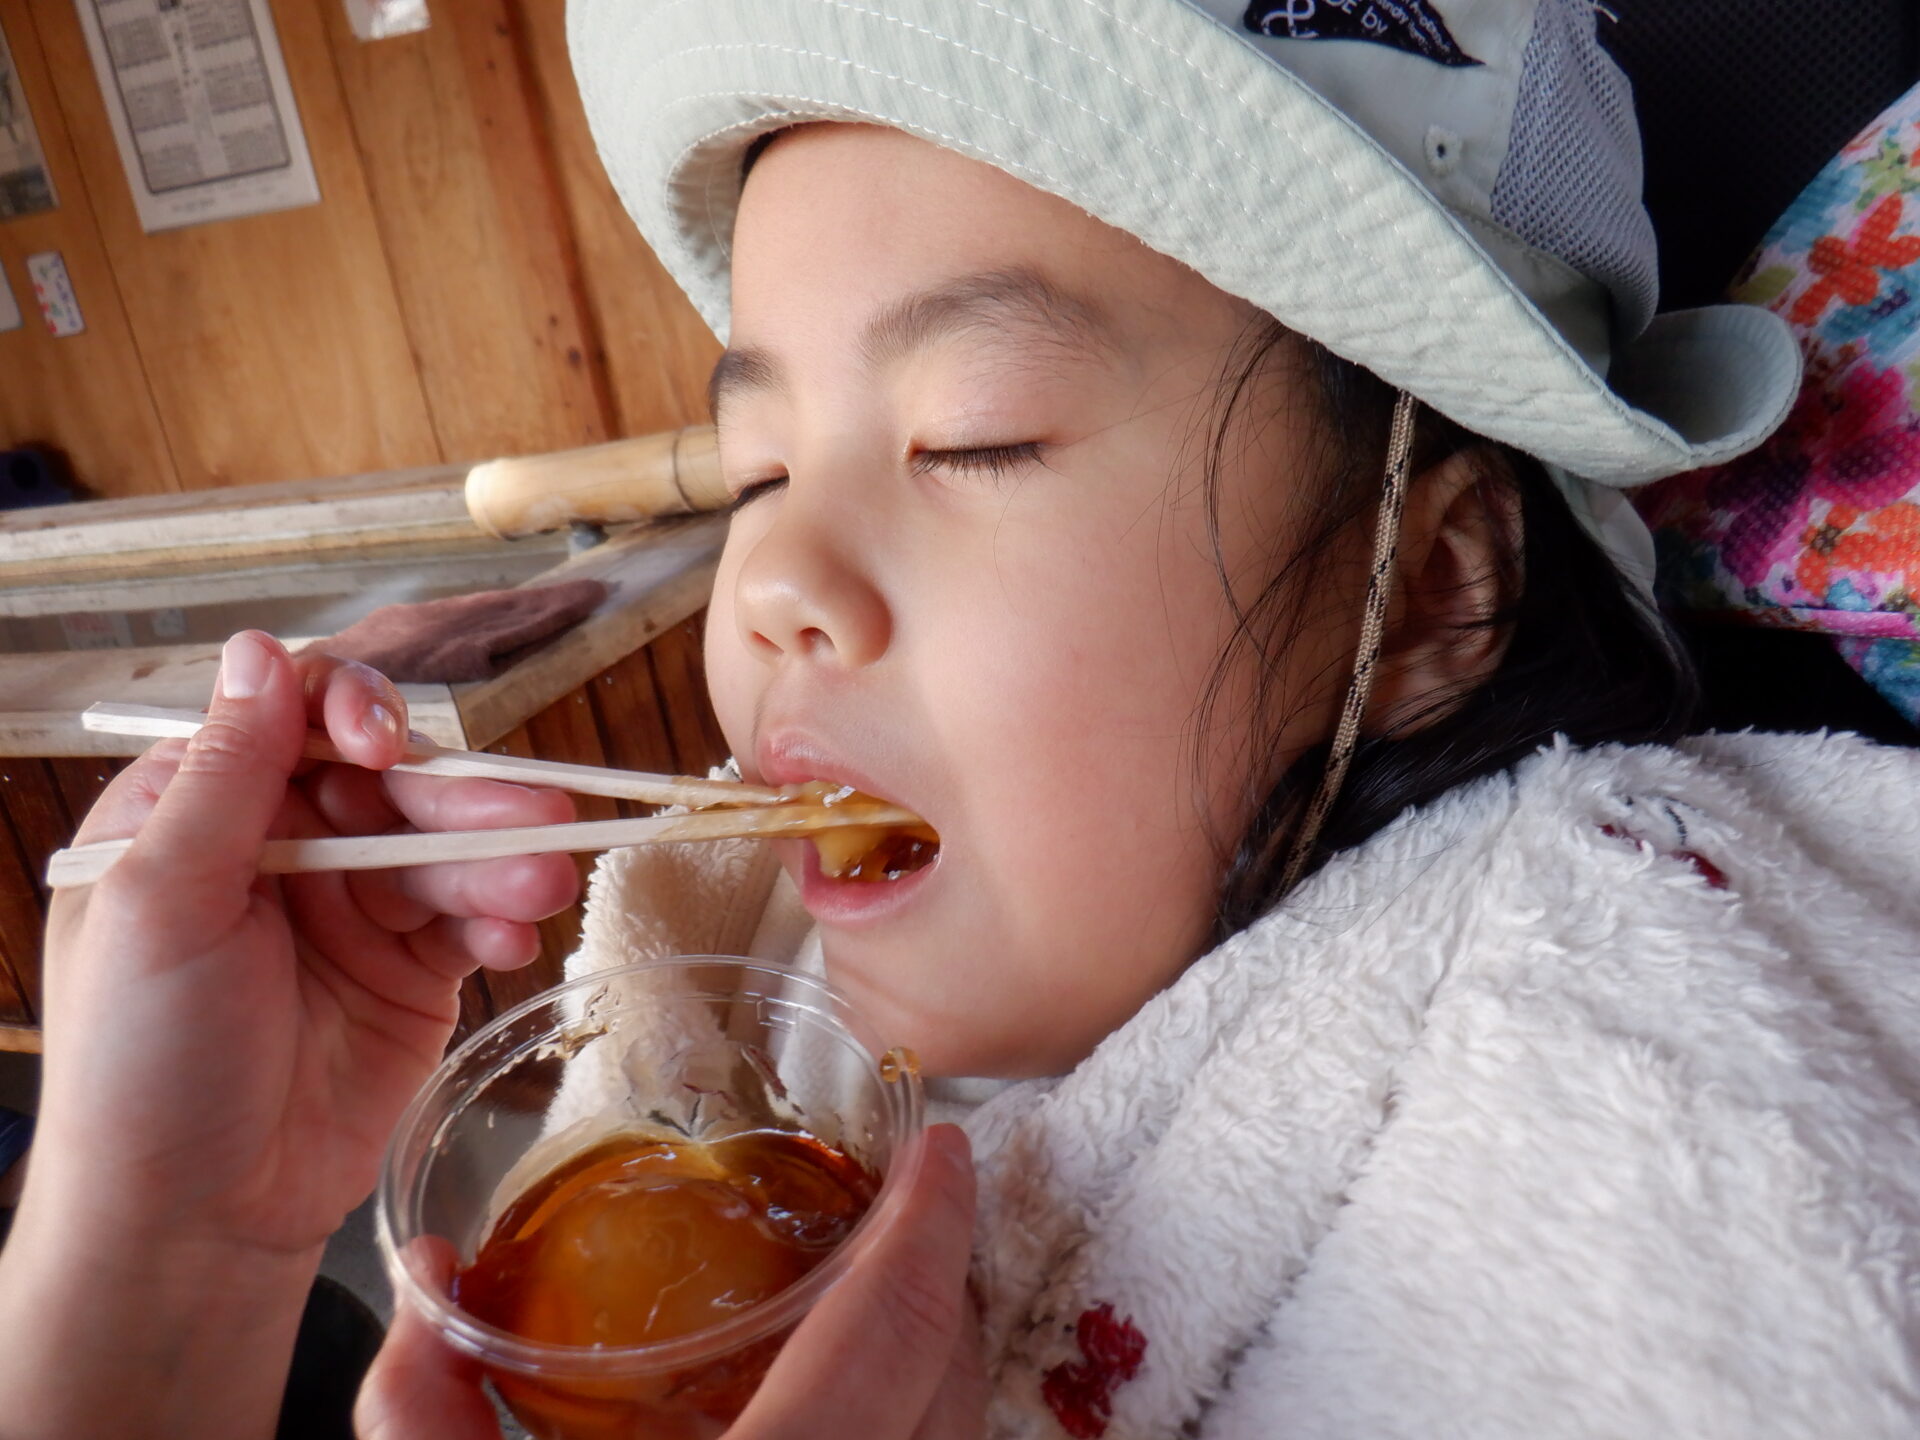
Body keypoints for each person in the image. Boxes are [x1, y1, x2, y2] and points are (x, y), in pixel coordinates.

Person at [6, 2, 1920, 1436]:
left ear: (1425, 592)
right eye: (757, 471)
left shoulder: (1649, 1098)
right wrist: (164, 1255)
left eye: (970, 438)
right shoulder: (738, 1030)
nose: (771, 576)